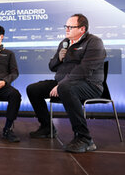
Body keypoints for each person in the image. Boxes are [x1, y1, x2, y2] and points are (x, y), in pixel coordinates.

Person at [26, 13, 106, 153]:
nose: (67, 29)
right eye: (66, 26)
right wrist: (59, 58)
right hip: (64, 84)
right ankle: (47, 128)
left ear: (82, 29)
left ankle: (85, 139)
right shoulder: (65, 43)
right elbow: (52, 66)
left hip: (90, 85)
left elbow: (84, 70)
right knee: (33, 89)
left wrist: (62, 84)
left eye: (70, 27)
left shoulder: (94, 42)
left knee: (65, 88)